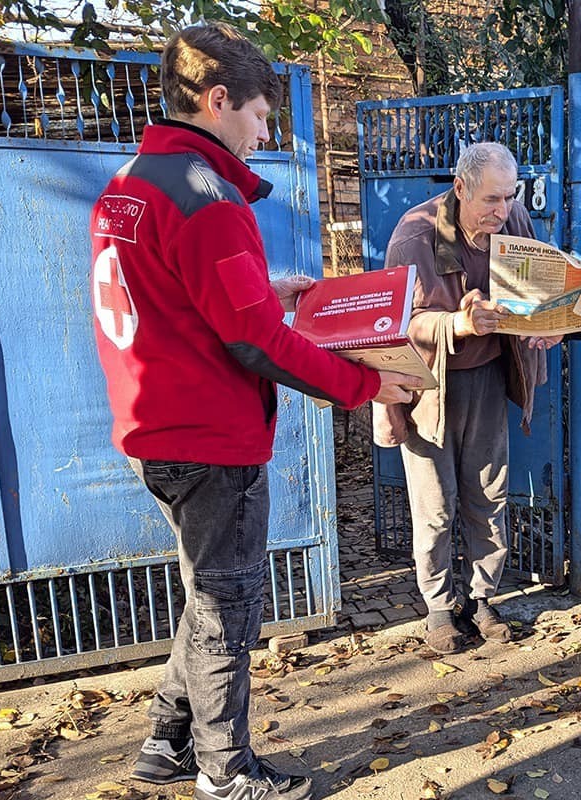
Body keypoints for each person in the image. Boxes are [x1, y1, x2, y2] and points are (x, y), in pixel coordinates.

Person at [89, 22, 418, 800]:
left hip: (153, 428)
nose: (267, 133)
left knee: (208, 594)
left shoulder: (131, 183)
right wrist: (366, 386)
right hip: (211, 440)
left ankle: (168, 741)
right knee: (226, 610)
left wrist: (266, 293)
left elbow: (173, 297)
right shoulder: (208, 198)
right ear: (218, 99)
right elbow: (253, 342)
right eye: (263, 117)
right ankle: (226, 773)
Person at [372, 142, 559, 655]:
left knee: (488, 493)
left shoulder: (515, 217)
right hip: (427, 385)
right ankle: (438, 608)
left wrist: (549, 324)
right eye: (491, 201)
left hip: (487, 379)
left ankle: (483, 598)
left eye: (510, 196)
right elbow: (397, 324)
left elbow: (540, 290)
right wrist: (458, 322)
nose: (503, 211)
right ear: (459, 189)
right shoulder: (415, 234)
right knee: (435, 505)